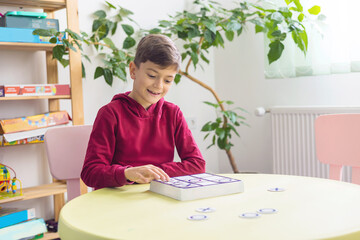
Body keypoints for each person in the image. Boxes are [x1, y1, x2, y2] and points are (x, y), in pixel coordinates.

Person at [81, 34, 206, 189]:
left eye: (167, 80)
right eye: (152, 75)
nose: (159, 86)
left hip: (158, 197)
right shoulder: (110, 114)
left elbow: (197, 164)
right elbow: (91, 172)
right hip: (117, 201)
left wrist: (155, 172)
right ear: (133, 70)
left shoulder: (173, 113)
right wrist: (127, 173)